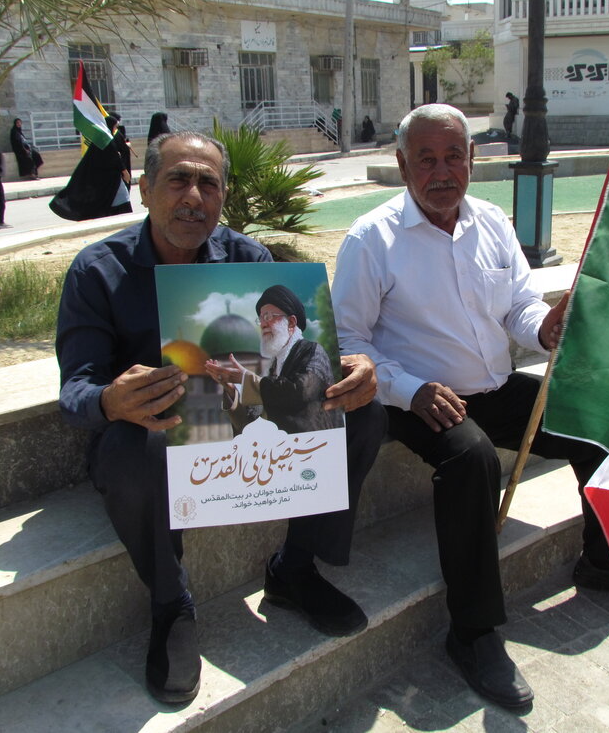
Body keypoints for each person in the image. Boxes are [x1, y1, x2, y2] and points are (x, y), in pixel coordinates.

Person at [331, 104, 609, 711]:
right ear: (402, 166)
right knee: (472, 462)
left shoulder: (491, 220)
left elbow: (518, 305)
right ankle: (472, 634)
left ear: (472, 160)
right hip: (419, 397)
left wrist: (545, 327)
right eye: (426, 160)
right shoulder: (372, 239)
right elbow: (348, 341)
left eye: (454, 157)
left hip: (494, 386)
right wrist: (409, 389)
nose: (442, 172)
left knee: (596, 422)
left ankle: (603, 561)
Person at [56, 131, 386, 705]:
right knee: (129, 451)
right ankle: (171, 603)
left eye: (208, 184)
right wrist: (111, 400)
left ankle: (294, 570)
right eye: (178, 180)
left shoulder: (248, 260)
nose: (193, 196)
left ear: (223, 195)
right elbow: (76, 388)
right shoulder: (98, 271)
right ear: (144, 190)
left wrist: (348, 367)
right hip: (154, 433)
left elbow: (287, 368)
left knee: (362, 414)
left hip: (239, 420)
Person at [204, 284, 340, 433]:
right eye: (260, 319)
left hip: (317, 443)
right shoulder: (274, 368)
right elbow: (255, 422)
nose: (263, 324)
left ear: (291, 322)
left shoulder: (313, 351)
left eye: (268, 317)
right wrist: (232, 390)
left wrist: (246, 379)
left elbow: (301, 392)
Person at [49, 117, 133, 221]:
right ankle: (122, 218)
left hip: (109, 176)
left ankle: (118, 216)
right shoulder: (105, 139)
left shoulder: (103, 138)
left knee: (116, 198)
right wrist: (124, 171)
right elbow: (113, 156)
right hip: (109, 177)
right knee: (121, 197)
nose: (116, 129)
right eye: (115, 126)